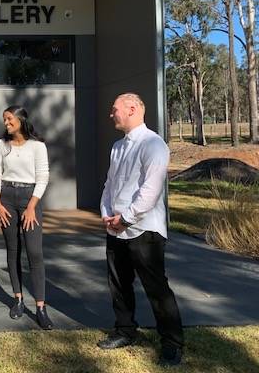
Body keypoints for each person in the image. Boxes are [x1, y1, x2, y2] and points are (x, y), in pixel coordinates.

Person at [97, 93, 184, 367]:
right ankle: (125, 330)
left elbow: (151, 189)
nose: (111, 115)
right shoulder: (117, 147)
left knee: (156, 288)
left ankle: (172, 343)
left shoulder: (154, 145)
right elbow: (109, 184)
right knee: (118, 284)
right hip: (116, 228)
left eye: (115, 110)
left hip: (145, 230)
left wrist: (126, 218)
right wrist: (106, 214)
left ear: (132, 108)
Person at [0, 105, 53, 329]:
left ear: (21, 120)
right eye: (4, 120)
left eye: (9, 119)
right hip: (6, 198)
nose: (6, 123)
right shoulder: (1, 145)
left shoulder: (37, 146)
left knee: (35, 252)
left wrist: (31, 207)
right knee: (13, 250)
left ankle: (40, 307)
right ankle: (18, 300)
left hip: (30, 198)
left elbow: (43, 177)